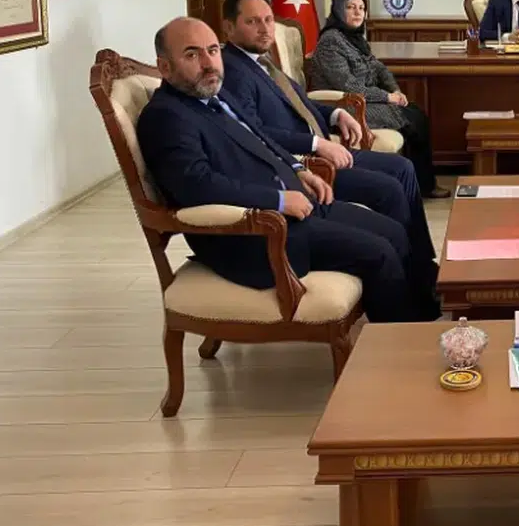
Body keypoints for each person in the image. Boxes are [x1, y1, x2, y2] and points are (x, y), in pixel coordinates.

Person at [137, 18, 415, 322]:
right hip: (259, 235)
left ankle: (420, 316)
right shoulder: (166, 117)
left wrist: (298, 169)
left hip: (296, 205)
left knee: (394, 232)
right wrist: (279, 200)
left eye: (213, 50)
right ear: (164, 67)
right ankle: (393, 344)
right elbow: (198, 186)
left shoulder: (215, 95)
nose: (208, 63)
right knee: (380, 252)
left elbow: (261, 137)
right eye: (192, 54)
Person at [218, 0, 440, 318]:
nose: (265, 29)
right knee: (391, 187)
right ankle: (411, 282)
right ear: (229, 28)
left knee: (403, 168)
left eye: (268, 20)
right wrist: (315, 145)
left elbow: (302, 102)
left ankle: (420, 268)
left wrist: (335, 115)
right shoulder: (234, 71)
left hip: (322, 147)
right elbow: (255, 133)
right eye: (253, 22)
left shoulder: (262, 62)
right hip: (304, 161)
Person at [311, 0, 450, 198]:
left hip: (363, 100)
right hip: (344, 107)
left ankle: (419, 183)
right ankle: (421, 185)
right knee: (413, 119)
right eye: (350, 7)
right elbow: (348, 85)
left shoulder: (354, 38)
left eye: (361, 8)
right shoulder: (330, 42)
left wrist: (395, 89)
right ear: (338, 10)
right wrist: (386, 97)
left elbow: (379, 68)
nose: (357, 13)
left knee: (415, 113)